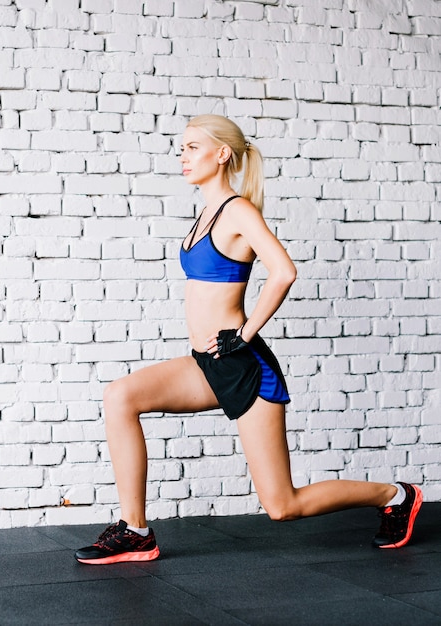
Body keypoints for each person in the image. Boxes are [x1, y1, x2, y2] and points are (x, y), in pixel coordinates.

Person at [75, 114, 423, 565]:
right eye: (180, 148)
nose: (183, 156)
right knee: (120, 396)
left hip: (244, 367)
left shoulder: (237, 210)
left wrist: (244, 333)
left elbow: (284, 271)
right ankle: (136, 530)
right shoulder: (205, 212)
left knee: (282, 505)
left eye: (193, 147)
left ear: (222, 154)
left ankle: (395, 495)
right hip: (206, 363)